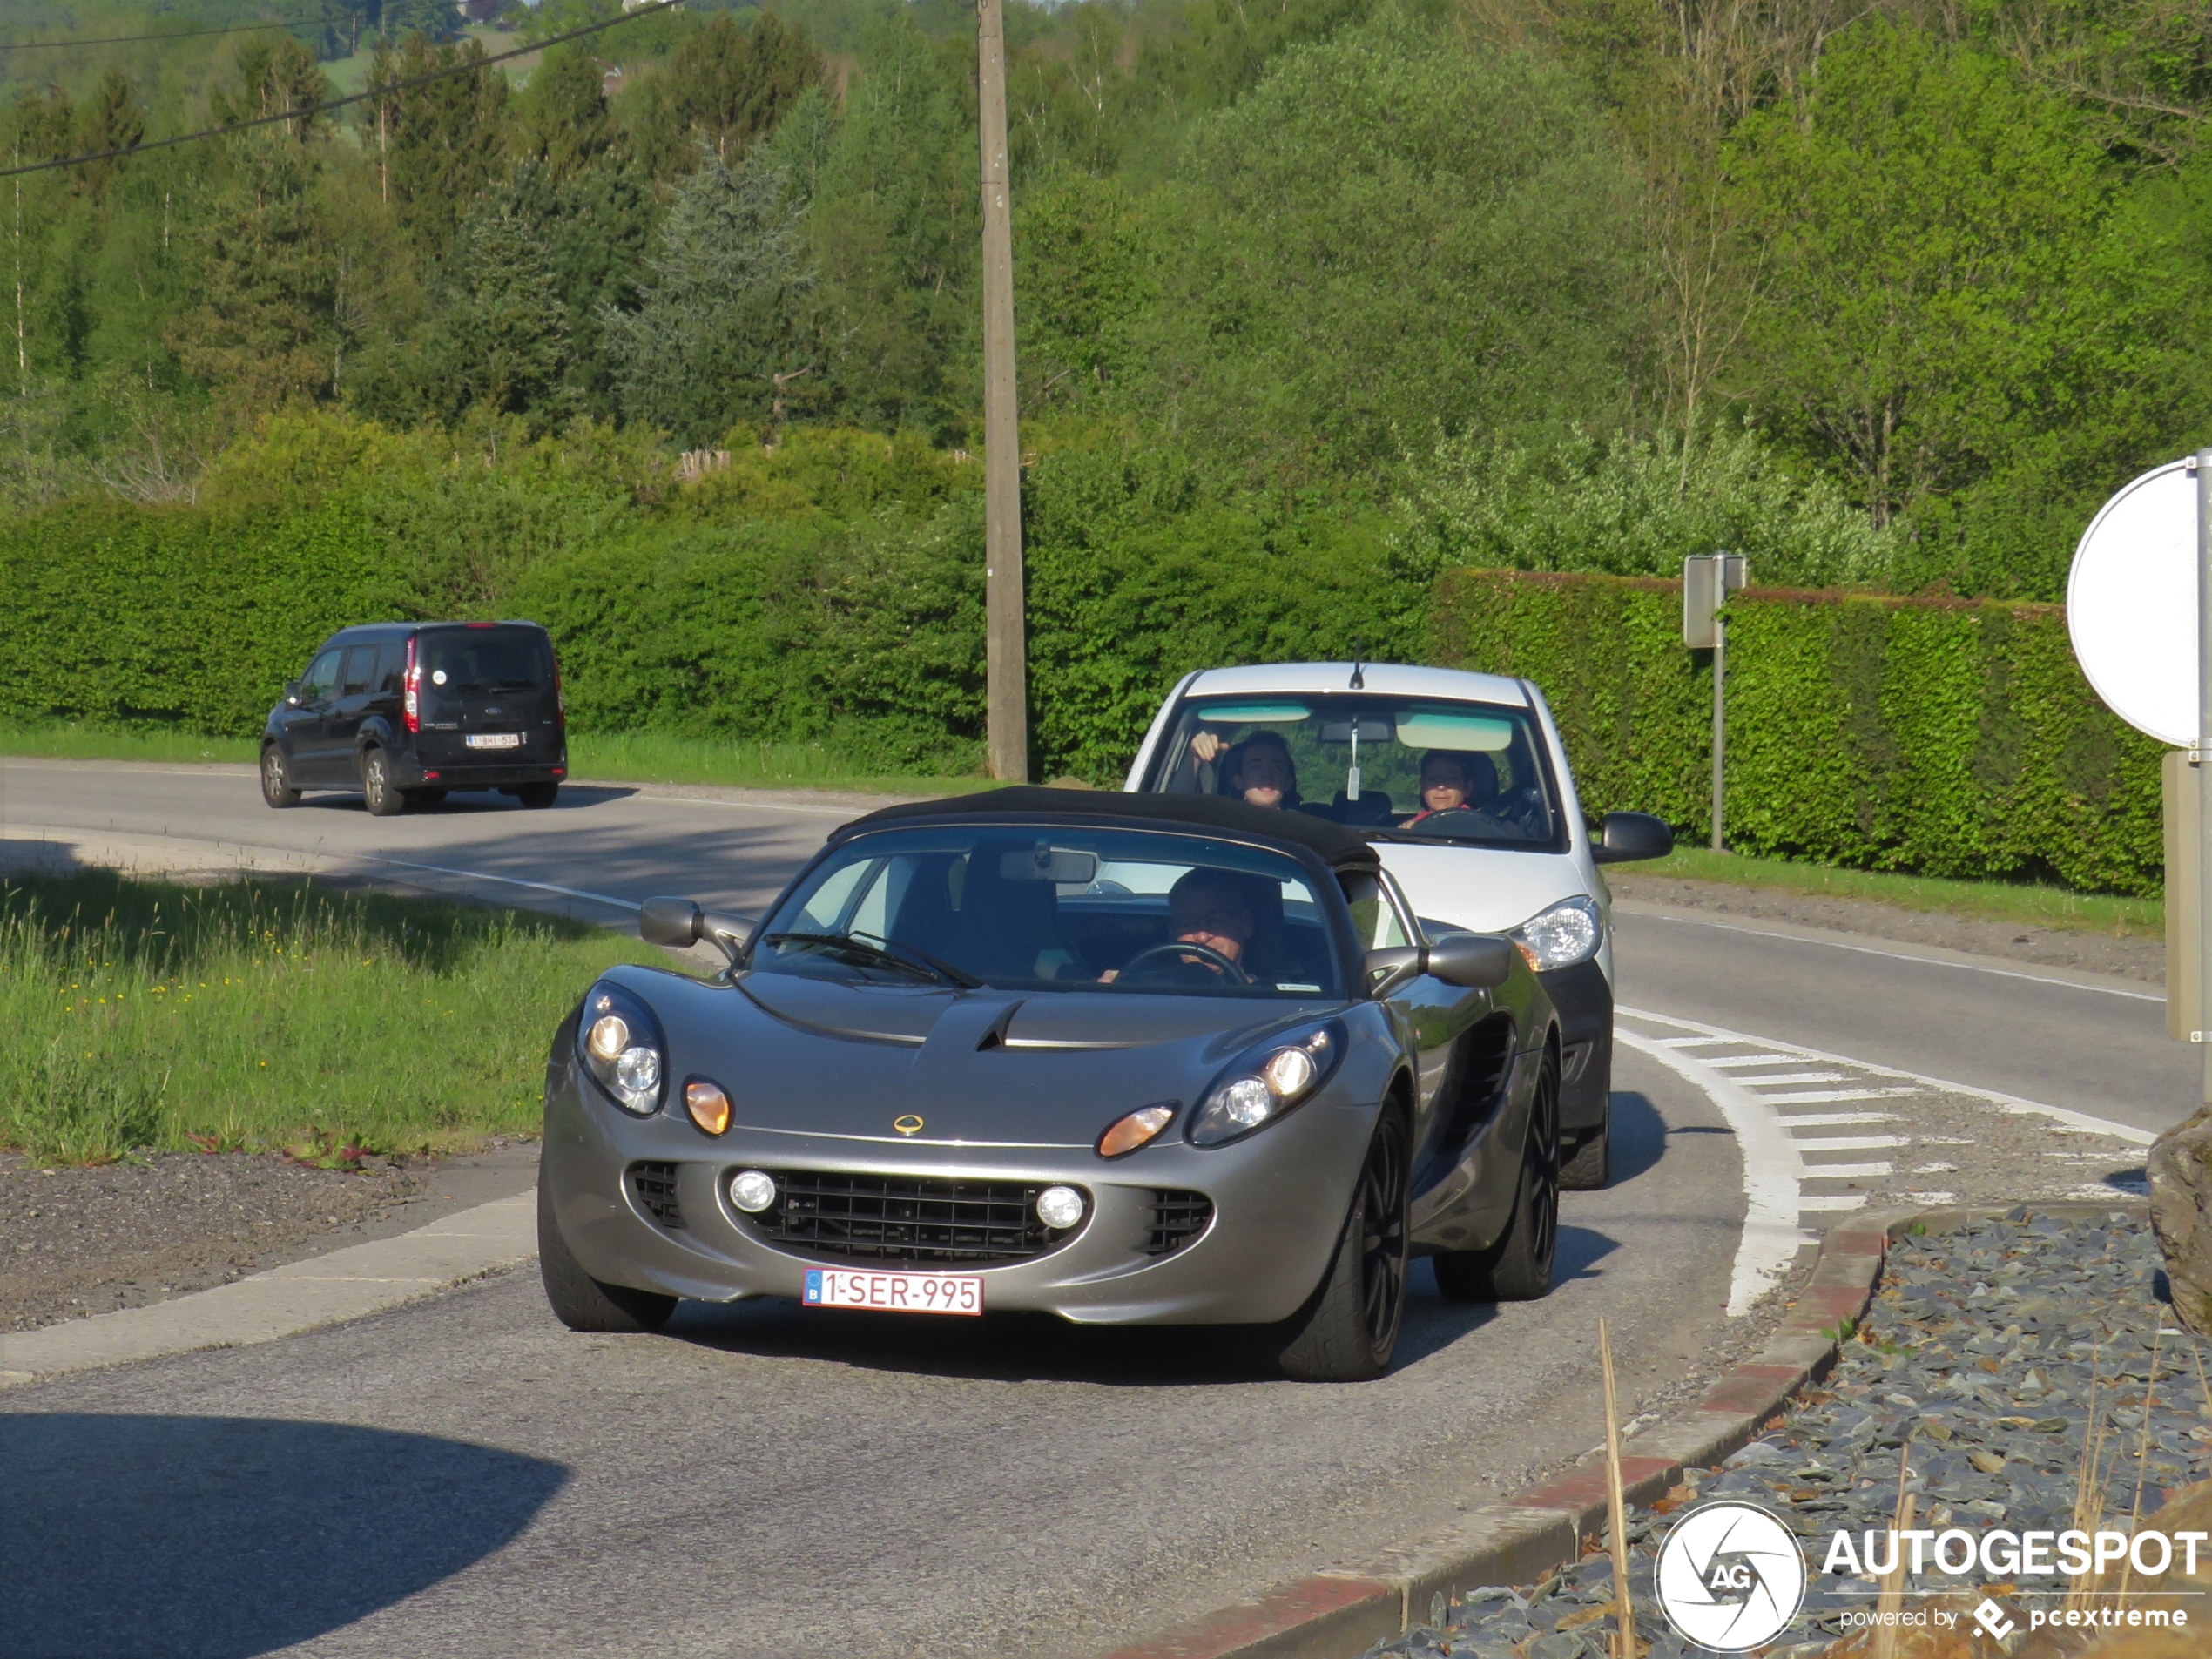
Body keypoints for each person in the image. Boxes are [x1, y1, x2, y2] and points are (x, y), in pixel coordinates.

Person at [1103, 868, 1264, 983]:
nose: (1201, 937)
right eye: (1188, 924)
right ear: (1173, 933)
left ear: (1245, 924)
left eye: (1215, 921)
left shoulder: (1274, 999)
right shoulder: (1144, 987)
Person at [1184, 728, 1298, 809]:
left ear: (1288, 782)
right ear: (1238, 781)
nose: (1267, 774)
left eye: (1276, 767)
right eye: (1256, 766)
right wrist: (1195, 758)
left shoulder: (1304, 828)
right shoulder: (1218, 825)